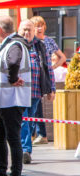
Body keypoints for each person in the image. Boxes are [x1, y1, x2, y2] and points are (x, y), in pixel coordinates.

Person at [0, 16, 31, 176]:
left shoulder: (14, 45)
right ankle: (1, 175)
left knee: (13, 139)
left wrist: (13, 79)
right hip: (3, 101)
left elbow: (13, 62)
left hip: (12, 100)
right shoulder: (11, 44)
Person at [17, 20, 55, 164]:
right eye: (24, 30)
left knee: (30, 121)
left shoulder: (40, 46)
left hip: (35, 92)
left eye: (29, 30)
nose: (27, 33)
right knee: (23, 121)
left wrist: (51, 89)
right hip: (19, 92)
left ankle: (25, 148)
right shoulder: (16, 45)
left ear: (34, 31)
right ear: (19, 30)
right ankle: (25, 150)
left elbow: (48, 68)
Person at [30, 16, 65, 145]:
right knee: (35, 105)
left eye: (41, 25)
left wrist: (53, 67)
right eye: (36, 26)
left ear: (45, 26)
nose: (39, 28)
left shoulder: (49, 41)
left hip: (44, 77)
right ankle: (37, 133)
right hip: (35, 78)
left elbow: (62, 57)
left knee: (37, 105)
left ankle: (41, 133)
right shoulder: (30, 41)